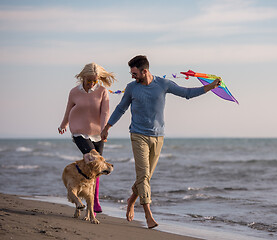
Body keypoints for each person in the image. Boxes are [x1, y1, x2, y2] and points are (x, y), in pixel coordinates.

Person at [101, 55, 220, 229]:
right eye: (131, 73)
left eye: (134, 73)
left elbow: (186, 93)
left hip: (158, 136)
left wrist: (209, 87)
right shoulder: (132, 88)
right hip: (138, 135)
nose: (132, 76)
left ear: (145, 71)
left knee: (146, 177)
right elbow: (121, 108)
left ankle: (131, 201)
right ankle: (148, 215)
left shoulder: (163, 84)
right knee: (143, 175)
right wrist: (107, 127)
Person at [59, 63, 115, 214]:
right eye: (89, 80)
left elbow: (105, 113)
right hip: (79, 132)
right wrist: (64, 124)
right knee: (92, 158)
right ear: (83, 77)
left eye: (94, 81)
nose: (91, 84)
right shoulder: (74, 92)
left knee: (96, 168)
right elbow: (68, 109)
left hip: (98, 134)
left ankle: (93, 199)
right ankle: (82, 196)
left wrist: (104, 130)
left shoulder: (102, 91)